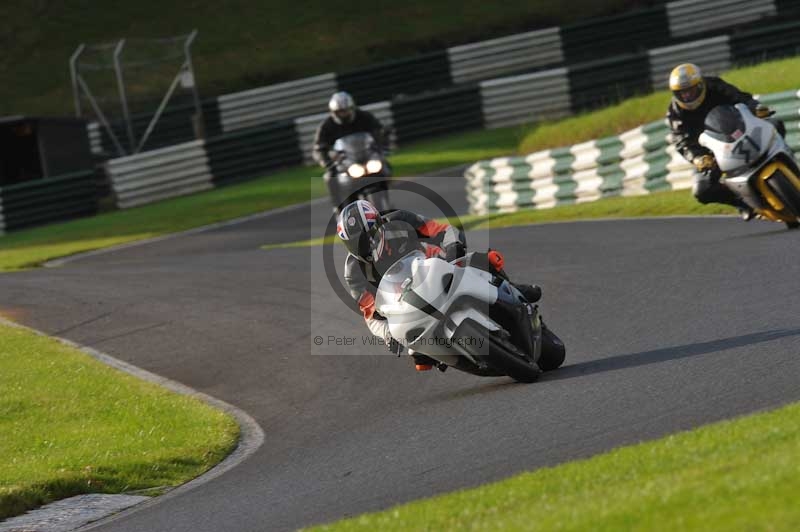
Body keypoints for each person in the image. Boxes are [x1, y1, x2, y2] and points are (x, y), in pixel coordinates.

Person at [336, 199, 544, 372]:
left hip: (438, 266)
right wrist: (388, 334)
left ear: (379, 224)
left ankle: (513, 288)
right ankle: (458, 357)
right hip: (407, 301)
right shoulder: (353, 272)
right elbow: (371, 315)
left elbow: (445, 230)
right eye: (354, 243)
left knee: (483, 259)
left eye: (365, 239)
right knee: (419, 356)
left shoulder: (400, 220)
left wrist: (453, 249)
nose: (362, 247)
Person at [666, 63, 785, 220]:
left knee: (775, 124)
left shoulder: (714, 86)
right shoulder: (675, 112)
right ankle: (744, 204)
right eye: (682, 93)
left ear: (700, 84)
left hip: (741, 129)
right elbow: (681, 141)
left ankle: (785, 159)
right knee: (702, 190)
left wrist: (756, 108)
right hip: (710, 151)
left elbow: (740, 97)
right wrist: (697, 158)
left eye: (691, 90)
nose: (687, 96)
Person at [313, 91, 388, 212]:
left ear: (352, 108)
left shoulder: (364, 117)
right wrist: (327, 162)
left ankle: (385, 199)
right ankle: (339, 209)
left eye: (346, 110)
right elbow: (319, 148)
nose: (344, 114)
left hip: (367, 157)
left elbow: (379, 132)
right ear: (334, 112)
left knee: (383, 166)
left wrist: (382, 148)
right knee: (330, 177)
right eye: (340, 112)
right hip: (344, 163)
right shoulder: (327, 126)